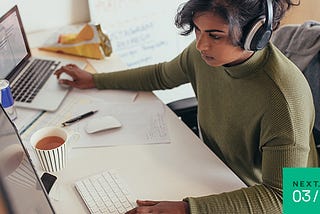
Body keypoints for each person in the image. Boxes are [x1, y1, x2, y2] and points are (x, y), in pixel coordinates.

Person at [54, 0, 319, 213]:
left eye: (215, 35)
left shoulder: (284, 99)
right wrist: (95, 80)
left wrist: (186, 209)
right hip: (217, 169)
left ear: (256, 35)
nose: (202, 45)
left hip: (283, 197)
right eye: (198, 30)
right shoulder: (203, 55)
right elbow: (161, 75)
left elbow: (283, 199)